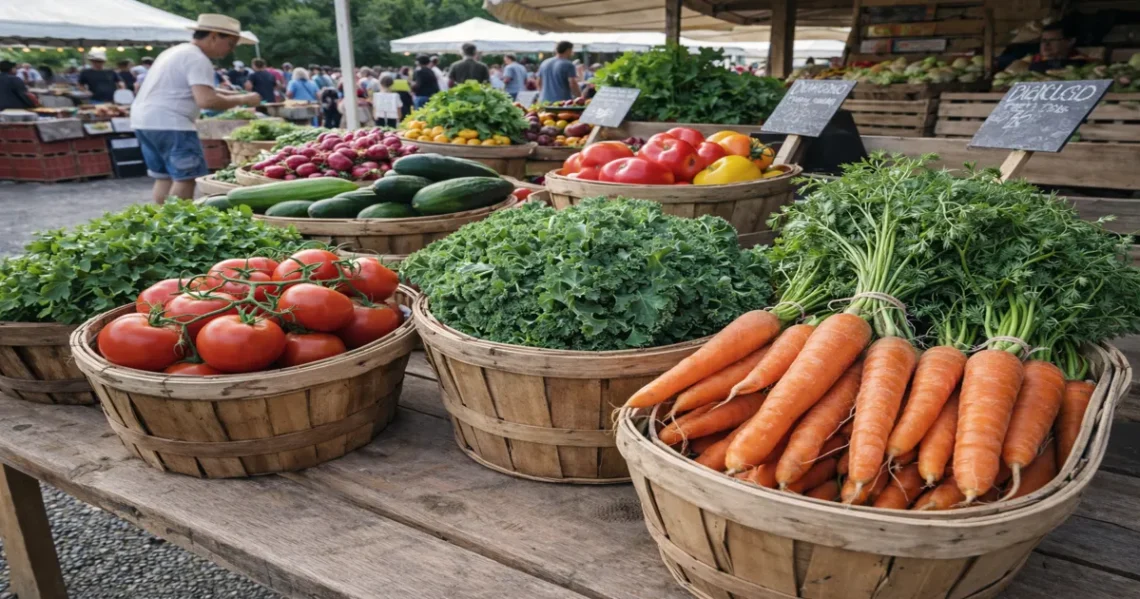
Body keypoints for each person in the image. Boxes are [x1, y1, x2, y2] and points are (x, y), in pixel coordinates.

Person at [130, 14, 261, 203]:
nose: (229, 51)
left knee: (164, 177)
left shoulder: (176, 52)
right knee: (186, 178)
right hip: (173, 124)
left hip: (145, 123)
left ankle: (160, 225)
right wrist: (244, 99)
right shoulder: (198, 59)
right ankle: (178, 225)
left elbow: (198, 88)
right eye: (230, 44)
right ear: (214, 36)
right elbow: (207, 100)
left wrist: (234, 95)